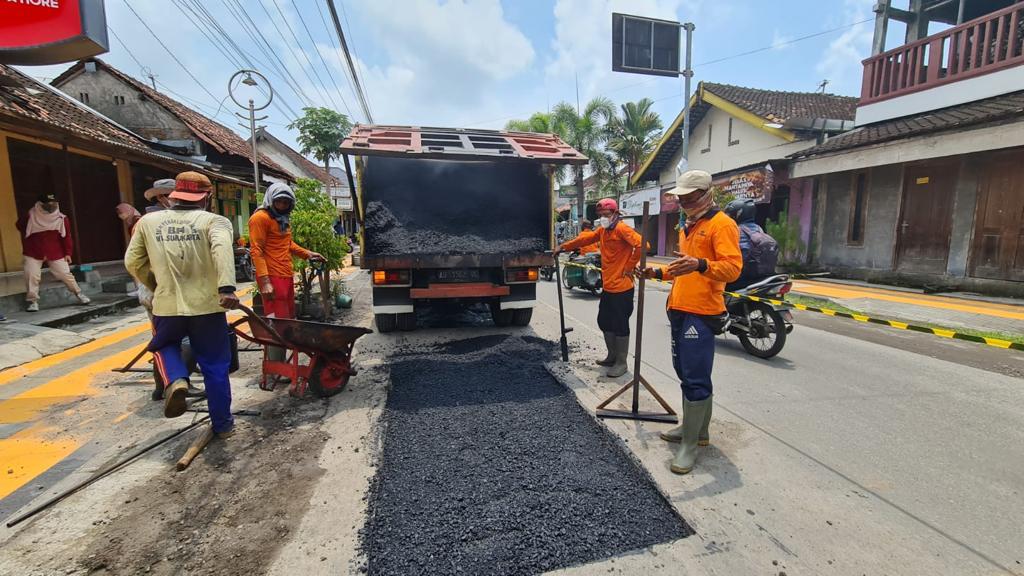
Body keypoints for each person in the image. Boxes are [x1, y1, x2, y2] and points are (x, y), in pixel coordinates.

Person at [639, 170, 741, 475]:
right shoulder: (689, 226)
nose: (683, 202)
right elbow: (683, 267)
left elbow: (733, 268)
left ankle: (691, 445)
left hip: (702, 311)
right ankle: (696, 430)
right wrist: (657, 273)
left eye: (688, 197)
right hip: (680, 307)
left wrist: (702, 264)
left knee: (695, 376)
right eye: (680, 198)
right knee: (684, 371)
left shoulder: (722, 225)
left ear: (706, 194)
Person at [124, 171, 239, 438]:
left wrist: (155, 285)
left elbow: (132, 263)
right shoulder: (216, 221)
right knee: (214, 366)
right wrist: (226, 289)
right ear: (207, 197)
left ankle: (175, 380)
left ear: (175, 195)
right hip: (208, 307)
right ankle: (223, 426)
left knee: (163, 345)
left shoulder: (148, 222)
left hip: (167, 306)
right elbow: (222, 250)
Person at [555, 199, 643, 378]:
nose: (603, 218)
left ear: (615, 214)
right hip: (609, 287)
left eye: (606, 215)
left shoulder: (622, 229)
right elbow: (584, 239)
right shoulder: (603, 231)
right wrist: (562, 247)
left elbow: (643, 245)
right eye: (601, 215)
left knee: (620, 324)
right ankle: (611, 356)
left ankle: (621, 362)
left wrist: (629, 267)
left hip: (622, 288)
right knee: (603, 320)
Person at [248, 183, 323, 379]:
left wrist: (308, 254)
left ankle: (280, 366)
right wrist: (264, 281)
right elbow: (256, 250)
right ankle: (276, 369)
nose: (282, 204)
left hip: (285, 275)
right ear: (271, 200)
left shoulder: (281, 219)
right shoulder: (260, 218)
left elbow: (286, 243)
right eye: (279, 201)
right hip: (272, 277)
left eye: (286, 202)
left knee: (287, 320)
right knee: (275, 323)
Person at [16, 193, 90, 312]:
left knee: (65, 274)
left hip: (55, 251)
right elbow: (19, 226)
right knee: (31, 275)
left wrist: (68, 253)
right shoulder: (30, 215)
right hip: (33, 251)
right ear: (40, 204)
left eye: (53, 203)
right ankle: (32, 301)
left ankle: (79, 293)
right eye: (47, 204)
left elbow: (66, 237)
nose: (51, 206)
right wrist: (30, 220)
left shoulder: (61, 218)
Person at [723, 199, 778, 292]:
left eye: (729, 215)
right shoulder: (758, 228)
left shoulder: (736, 230)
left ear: (737, 214)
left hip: (740, 277)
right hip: (761, 276)